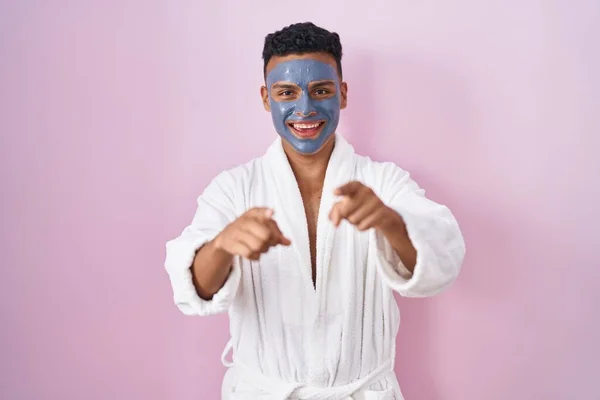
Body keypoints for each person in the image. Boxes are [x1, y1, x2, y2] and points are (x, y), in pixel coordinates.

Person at [164, 22, 465, 400]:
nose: (304, 109)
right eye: (286, 92)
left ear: (342, 94)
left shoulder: (383, 182)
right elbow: (193, 287)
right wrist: (223, 245)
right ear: (265, 97)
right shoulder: (233, 189)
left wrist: (388, 220)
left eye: (320, 91)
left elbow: (443, 256)